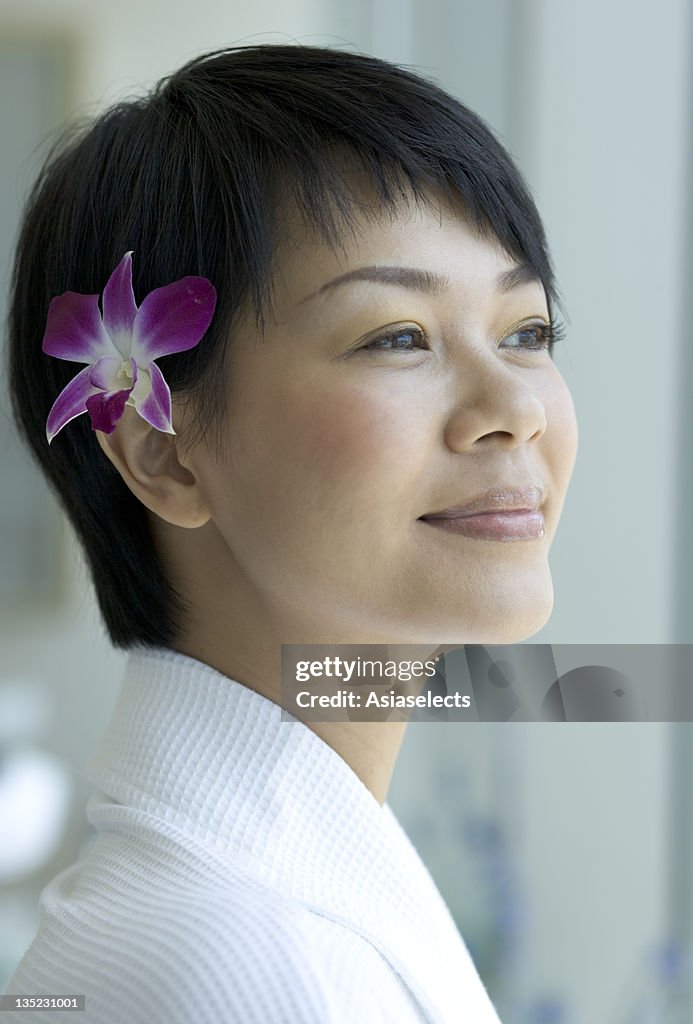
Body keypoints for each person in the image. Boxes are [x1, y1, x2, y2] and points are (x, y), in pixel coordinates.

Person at [2, 42, 578, 1023]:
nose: (513, 407)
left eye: (526, 331)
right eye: (398, 336)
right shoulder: (259, 963)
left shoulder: (233, 904)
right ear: (165, 454)